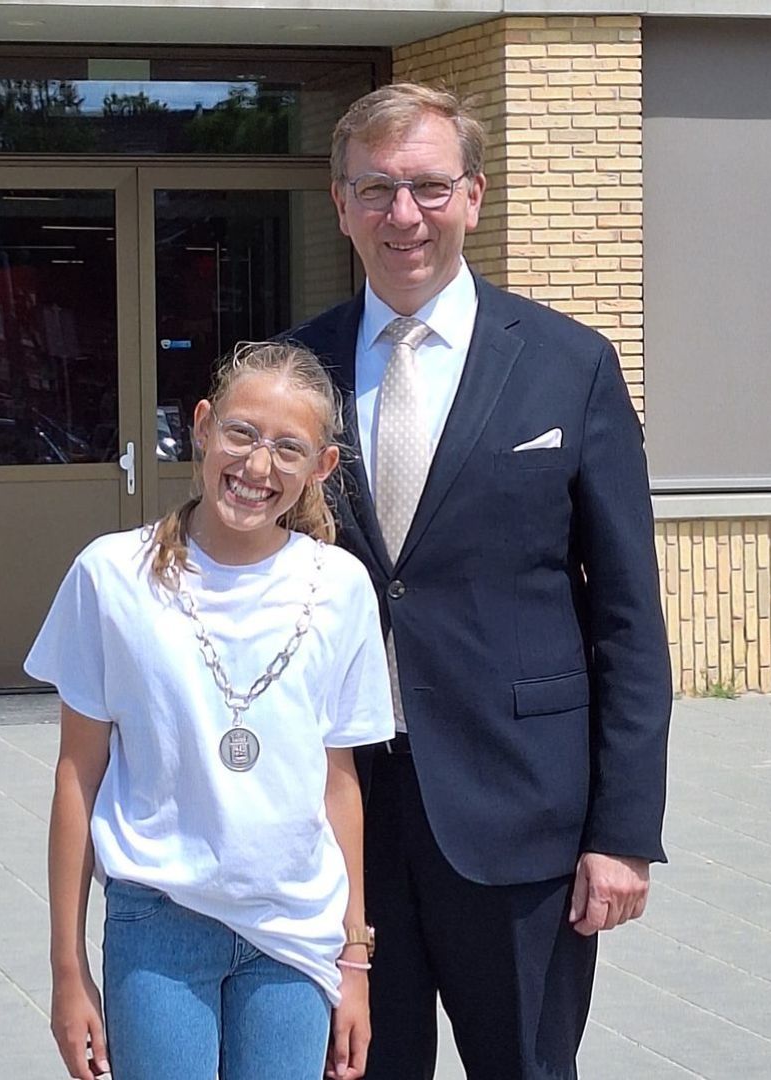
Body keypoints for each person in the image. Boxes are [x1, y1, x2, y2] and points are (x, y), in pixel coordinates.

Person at [283, 83, 673, 1079]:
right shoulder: (294, 371)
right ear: (340, 205)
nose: (403, 215)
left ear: (474, 195)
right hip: (339, 815)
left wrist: (624, 833)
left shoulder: (570, 365)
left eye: (427, 186)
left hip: (522, 816)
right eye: (376, 189)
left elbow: (627, 618)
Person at [30, 342, 393, 1080]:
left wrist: (354, 959)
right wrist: (68, 970)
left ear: (321, 466)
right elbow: (78, 776)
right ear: (201, 426)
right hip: (159, 924)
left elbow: (339, 783)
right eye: (241, 433)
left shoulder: (341, 586)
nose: (258, 466)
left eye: (288, 448)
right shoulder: (112, 576)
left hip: (295, 932)